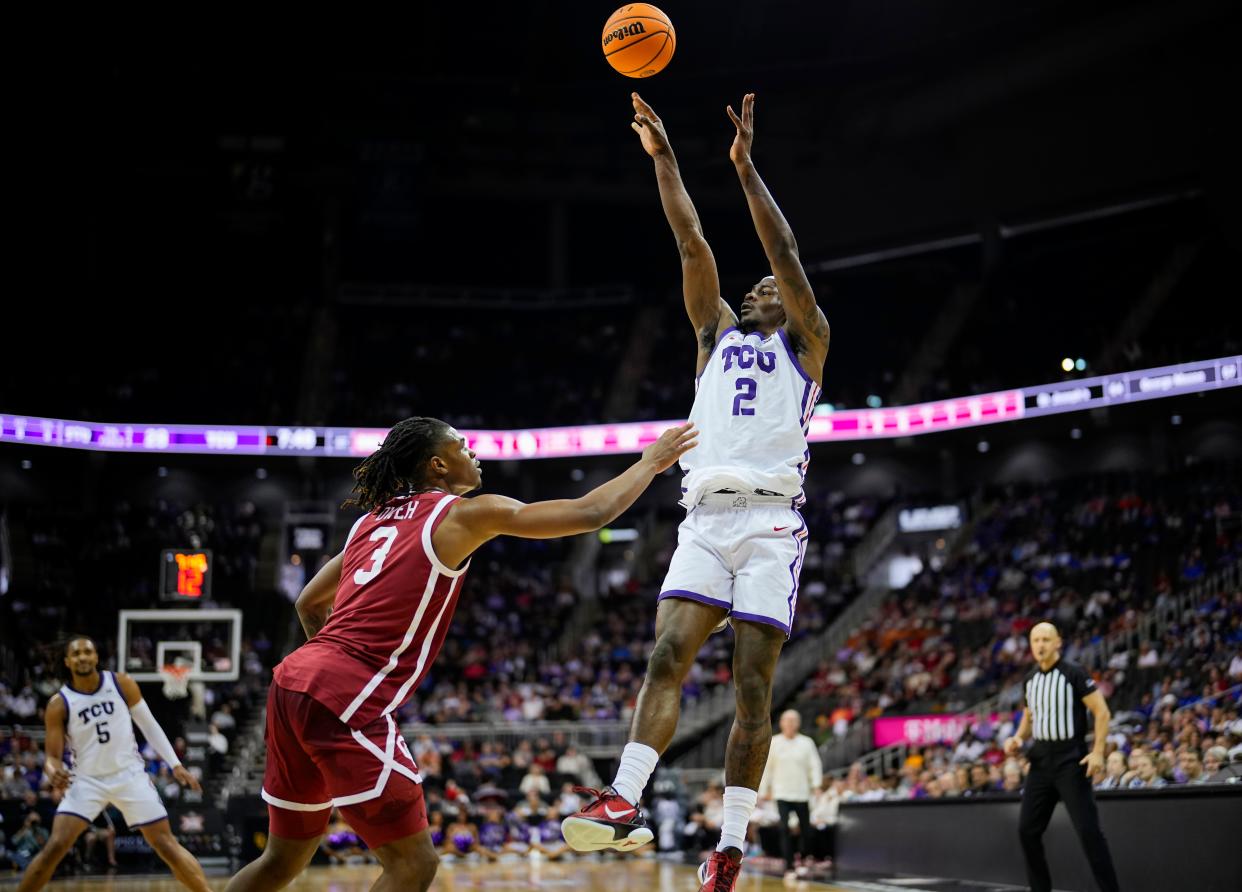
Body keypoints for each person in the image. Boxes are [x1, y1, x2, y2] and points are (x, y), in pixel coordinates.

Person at [225, 416, 696, 892]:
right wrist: (650, 463)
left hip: (290, 684)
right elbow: (590, 513)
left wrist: (322, 670)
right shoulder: (462, 514)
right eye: (462, 445)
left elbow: (309, 602)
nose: (473, 452)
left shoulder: (368, 523)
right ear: (437, 464)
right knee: (413, 865)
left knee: (280, 861)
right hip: (341, 695)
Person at [564, 91, 830, 892]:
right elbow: (689, 241)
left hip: (770, 525)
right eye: (750, 287)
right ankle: (624, 799)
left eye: (768, 287)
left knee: (753, 691)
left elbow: (781, 248)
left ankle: (733, 845)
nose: (757, 289)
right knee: (664, 656)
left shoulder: (810, 343)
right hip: (703, 520)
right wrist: (669, 158)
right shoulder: (713, 335)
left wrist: (747, 171)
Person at [17, 637, 210, 892]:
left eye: (88, 651)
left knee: (166, 845)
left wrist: (175, 764)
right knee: (55, 848)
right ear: (67, 661)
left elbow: (149, 725)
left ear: (96, 657)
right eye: (76, 654)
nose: (83, 657)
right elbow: (52, 756)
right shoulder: (59, 703)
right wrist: (53, 772)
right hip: (86, 780)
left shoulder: (121, 684)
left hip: (129, 775)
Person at [1004, 622, 1121, 892]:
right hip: (1041, 761)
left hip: (1071, 758)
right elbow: (1030, 715)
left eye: (1046, 639)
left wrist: (1098, 753)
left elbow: (1102, 712)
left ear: (1058, 642)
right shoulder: (1030, 679)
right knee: (1027, 831)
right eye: (1035, 640)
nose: (1040, 645)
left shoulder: (1075, 673)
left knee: (1089, 833)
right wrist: (1019, 738)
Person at [758, 710, 822, 879]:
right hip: (781, 793)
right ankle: (789, 866)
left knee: (806, 830)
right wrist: (764, 790)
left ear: (798, 723)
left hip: (802, 793)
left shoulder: (807, 743)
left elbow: (815, 765)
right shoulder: (774, 743)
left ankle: (804, 858)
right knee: (784, 829)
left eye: (794, 720)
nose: (790, 723)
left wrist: (816, 785)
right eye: (787, 720)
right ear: (782, 723)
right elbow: (767, 768)